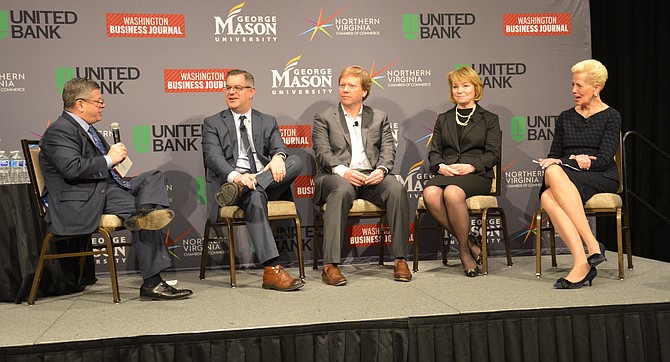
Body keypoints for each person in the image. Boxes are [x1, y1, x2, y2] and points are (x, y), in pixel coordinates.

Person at [40, 78, 193, 301]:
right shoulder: (59, 131)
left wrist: (111, 161)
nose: (103, 105)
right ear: (80, 104)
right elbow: (71, 168)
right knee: (145, 213)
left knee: (154, 176)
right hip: (83, 199)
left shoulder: (87, 130)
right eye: (98, 101)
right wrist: (109, 159)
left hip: (106, 188)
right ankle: (152, 282)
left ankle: (144, 215)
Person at [202, 69, 304, 292]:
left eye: (237, 88)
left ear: (251, 91)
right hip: (234, 184)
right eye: (227, 87)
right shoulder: (212, 123)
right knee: (255, 194)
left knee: (295, 161)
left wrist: (278, 157)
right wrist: (238, 177)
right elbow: (213, 158)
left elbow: (279, 146)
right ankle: (271, 270)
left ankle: (253, 184)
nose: (231, 92)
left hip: (264, 181)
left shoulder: (267, 120)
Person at [312, 65, 412, 286]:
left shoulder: (379, 117)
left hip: (371, 176)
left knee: (396, 188)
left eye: (351, 86)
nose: (345, 90)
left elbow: (388, 149)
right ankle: (330, 265)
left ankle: (400, 259)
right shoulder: (324, 117)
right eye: (342, 85)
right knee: (341, 189)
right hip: (335, 175)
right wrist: (344, 172)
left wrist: (382, 170)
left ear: (364, 91)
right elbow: (322, 152)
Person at [538, 59, 620, 289]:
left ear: (596, 88)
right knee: (552, 175)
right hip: (568, 174)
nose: (574, 90)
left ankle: (588, 254)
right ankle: (585, 257)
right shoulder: (565, 117)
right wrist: (572, 161)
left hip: (601, 176)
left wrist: (582, 162)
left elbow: (604, 160)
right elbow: (554, 156)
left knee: (548, 193)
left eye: (580, 86)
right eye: (572, 84)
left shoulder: (611, 116)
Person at [422, 65, 501, 277]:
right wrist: (441, 167)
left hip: (476, 175)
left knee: (452, 193)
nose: (459, 90)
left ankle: (464, 252)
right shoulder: (444, 118)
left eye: (465, 86)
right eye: (455, 86)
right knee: (430, 194)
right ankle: (470, 241)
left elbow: (493, 154)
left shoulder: (489, 119)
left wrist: (471, 166)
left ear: (476, 89)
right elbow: (434, 152)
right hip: (448, 173)